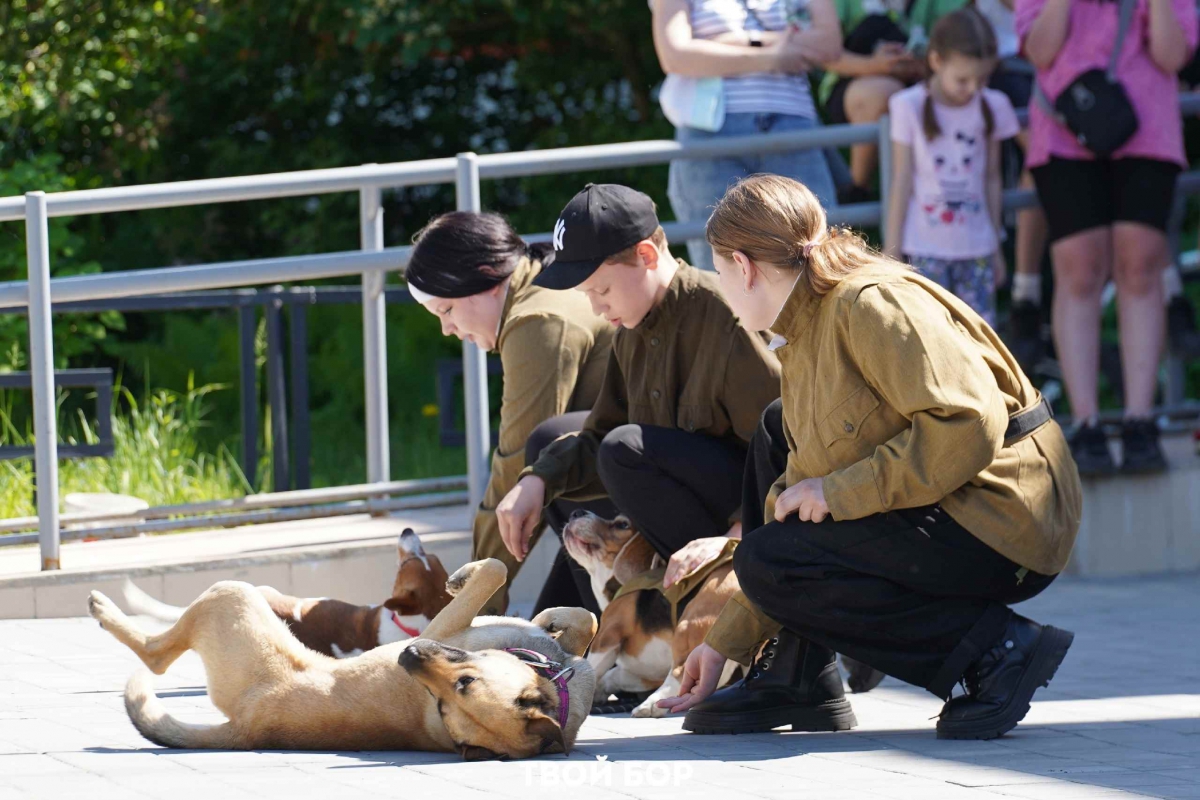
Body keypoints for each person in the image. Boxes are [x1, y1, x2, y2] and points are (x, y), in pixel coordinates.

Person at [657, 174, 1082, 743]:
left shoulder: (869, 302)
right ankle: (793, 671)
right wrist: (725, 642)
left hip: (1010, 521)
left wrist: (837, 494)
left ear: (743, 265)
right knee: (773, 440)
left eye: (716, 270)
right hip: (961, 503)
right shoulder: (807, 326)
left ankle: (997, 651)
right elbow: (790, 502)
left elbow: (967, 423)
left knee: (773, 557)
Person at [495, 183, 782, 609]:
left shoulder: (724, 316)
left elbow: (787, 442)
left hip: (758, 507)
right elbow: (599, 433)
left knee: (623, 450)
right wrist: (536, 480)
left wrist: (736, 535)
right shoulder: (632, 326)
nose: (595, 307)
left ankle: (696, 604)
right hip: (685, 495)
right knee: (551, 443)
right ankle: (610, 623)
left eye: (602, 290)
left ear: (647, 256)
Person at [1017, 0, 1198, 475]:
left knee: (1141, 265)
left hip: (1147, 130)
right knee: (1078, 270)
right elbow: (1038, 50)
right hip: (1064, 131)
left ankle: (1141, 420)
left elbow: (1174, 55)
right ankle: (1088, 424)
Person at [405, 211, 615, 616]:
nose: (446, 330)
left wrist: (472, 604)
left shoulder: (538, 320)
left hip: (651, 488)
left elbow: (515, 466)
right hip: (641, 470)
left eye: (446, 310)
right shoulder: (540, 288)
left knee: (542, 452)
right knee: (550, 650)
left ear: (487, 278)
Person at [653, 0, 843, 270]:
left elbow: (829, 45)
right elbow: (675, 55)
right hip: (710, 136)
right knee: (721, 268)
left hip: (794, 133)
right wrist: (771, 54)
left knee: (819, 259)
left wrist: (730, 43)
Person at [885, 9, 1020, 327]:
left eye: (982, 79)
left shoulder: (993, 104)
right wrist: (891, 253)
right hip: (924, 249)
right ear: (936, 61)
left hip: (977, 250)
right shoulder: (908, 106)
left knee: (977, 338)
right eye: (963, 79)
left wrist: (996, 245)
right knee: (929, 337)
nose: (972, 88)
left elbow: (992, 179)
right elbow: (901, 180)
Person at [820, 0, 967, 204]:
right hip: (856, 85)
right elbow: (822, 53)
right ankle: (858, 190)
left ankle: (864, 193)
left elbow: (965, 50)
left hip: (926, 84)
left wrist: (925, 67)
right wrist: (876, 66)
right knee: (888, 95)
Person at [976, 0, 1053, 370]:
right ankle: (1025, 291)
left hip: (1055, 70)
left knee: (1040, 165)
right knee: (1041, 160)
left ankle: (1027, 290)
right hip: (1012, 73)